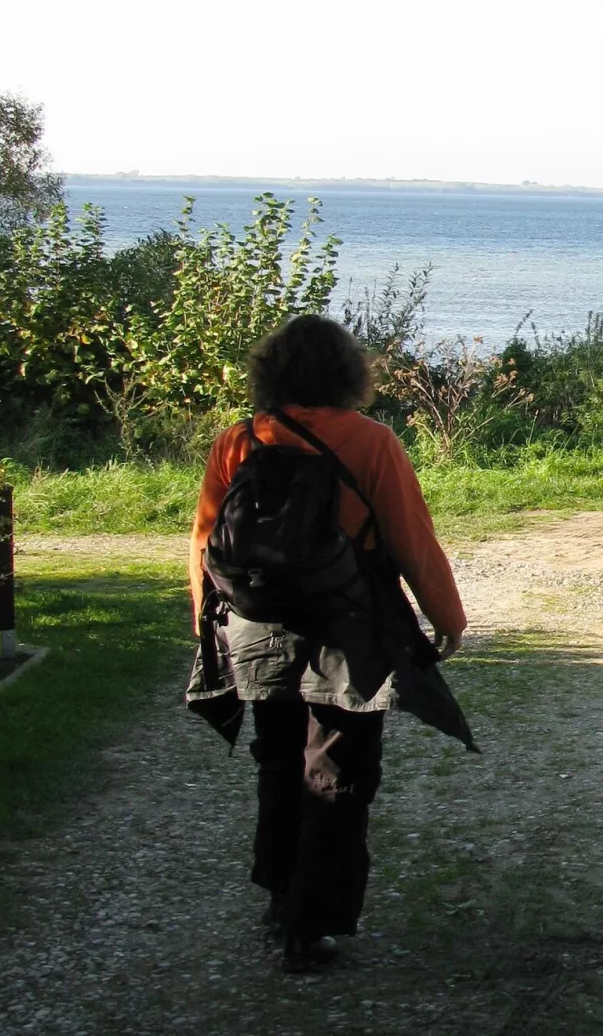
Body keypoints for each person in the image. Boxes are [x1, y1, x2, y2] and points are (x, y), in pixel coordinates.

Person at [187, 313, 467, 971]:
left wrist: (206, 623)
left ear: (271, 373)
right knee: (339, 769)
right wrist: (446, 620)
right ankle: (311, 924)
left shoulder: (238, 441)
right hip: (349, 626)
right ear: (348, 374)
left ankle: (282, 894)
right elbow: (411, 542)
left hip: (257, 625)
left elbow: (205, 541)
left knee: (280, 759)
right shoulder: (371, 443)